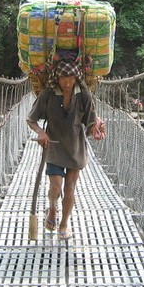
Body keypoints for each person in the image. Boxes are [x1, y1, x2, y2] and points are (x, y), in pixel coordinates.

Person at [27, 59, 106, 240]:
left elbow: (90, 123)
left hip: (75, 148)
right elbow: (31, 119)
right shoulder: (48, 94)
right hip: (53, 147)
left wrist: (96, 130)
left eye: (71, 79)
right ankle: (52, 208)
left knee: (70, 188)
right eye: (64, 79)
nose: (67, 83)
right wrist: (41, 132)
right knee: (55, 188)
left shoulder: (84, 95)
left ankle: (64, 223)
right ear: (57, 78)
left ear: (76, 78)